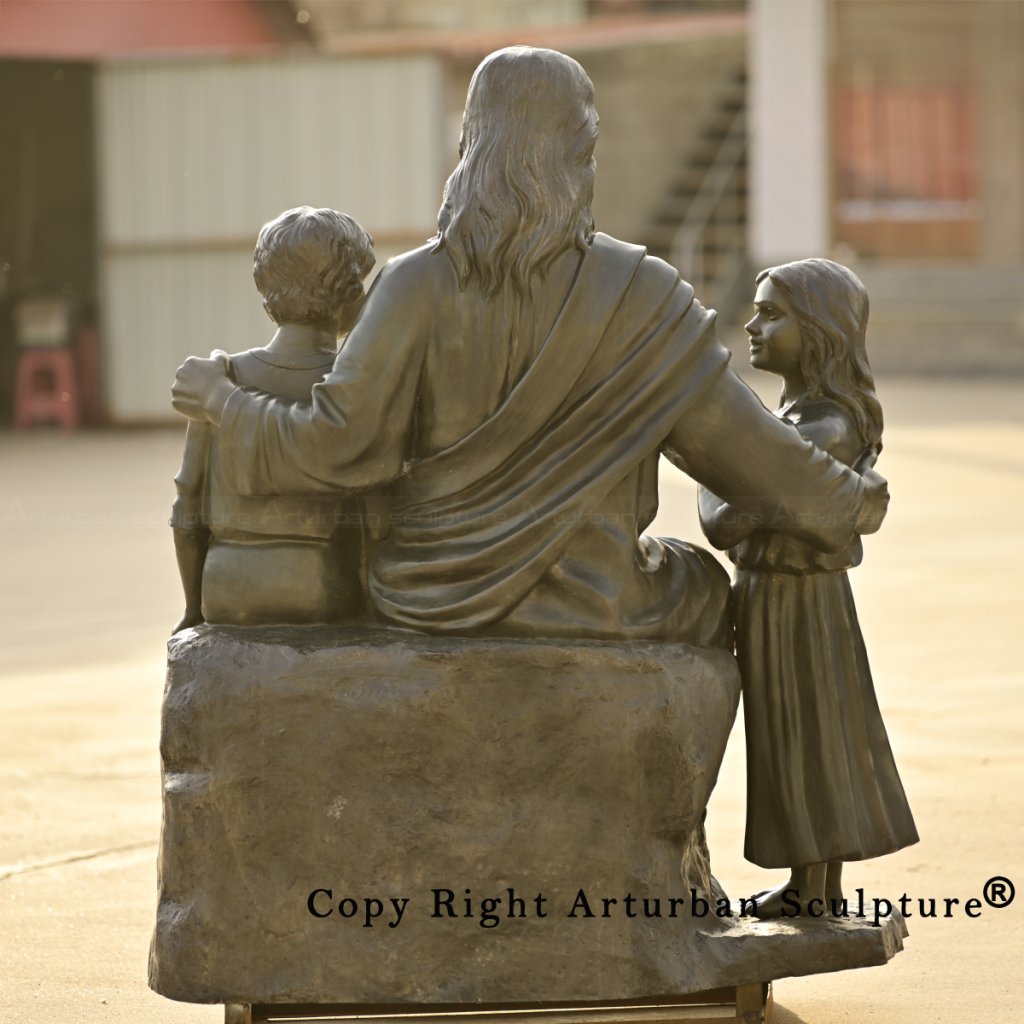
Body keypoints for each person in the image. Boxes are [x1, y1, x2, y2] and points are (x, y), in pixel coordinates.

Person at [171, 46, 889, 645]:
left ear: (469, 148)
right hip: (603, 602)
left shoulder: (411, 285)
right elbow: (763, 466)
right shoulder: (644, 294)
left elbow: (335, 446)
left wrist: (228, 405)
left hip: (424, 593)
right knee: (699, 580)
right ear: (579, 153)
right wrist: (856, 498)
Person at [699, 259, 918, 915]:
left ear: (819, 330)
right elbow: (728, 511)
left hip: (799, 600)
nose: (752, 324)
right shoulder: (794, 421)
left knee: (810, 734)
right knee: (788, 737)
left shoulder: (825, 427)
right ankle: (809, 886)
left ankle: (816, 890)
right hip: (771, 593)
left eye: (772, 313)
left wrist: (731, 464)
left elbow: (723, 516)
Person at [170, 206, 375, 631]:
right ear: (354, 297)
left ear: (263, 290)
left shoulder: (221, 376)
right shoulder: (352, 386)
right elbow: (375, 519)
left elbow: (187, 511)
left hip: (224, 591)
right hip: (322, 588)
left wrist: (193, 609)